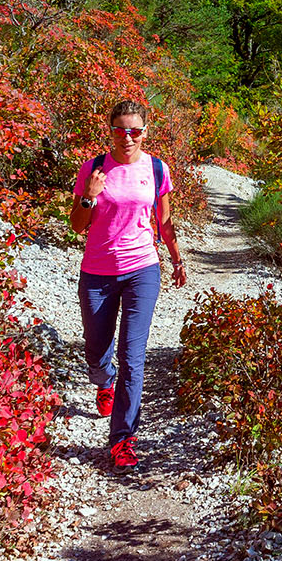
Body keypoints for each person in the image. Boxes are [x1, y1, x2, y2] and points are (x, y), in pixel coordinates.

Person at [68, 99, 187, 468]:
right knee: (97, 349)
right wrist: (89, 195)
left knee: (133, 357)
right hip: (98, 273)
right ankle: (105, 382)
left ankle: (123, 439)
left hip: (142, 271)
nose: (127, 137)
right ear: (111, 132)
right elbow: (76, 225)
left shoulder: (155, 168)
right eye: (120, 130)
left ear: (145, 132)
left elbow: (164, 223)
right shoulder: (95, 168)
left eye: (134, 131)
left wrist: (177, 258)